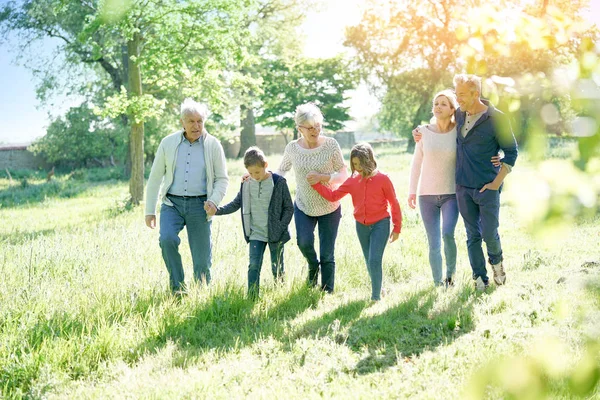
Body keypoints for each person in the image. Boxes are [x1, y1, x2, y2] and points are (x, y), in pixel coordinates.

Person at [413, 74, 518, 291]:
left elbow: (511, 152)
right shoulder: (459, 115)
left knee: (489, 232)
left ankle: (496, 263)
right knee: (472, 236)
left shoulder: (497, 118)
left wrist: (496, 182)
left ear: (475, 94)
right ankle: (479, 278)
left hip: (488, 185)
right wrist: (419, 131)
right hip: (462, 186)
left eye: (461, 94)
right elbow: (439, 123)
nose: (457, 98)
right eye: (456, 93)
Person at [145, 98, 229, 294]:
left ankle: (202, 293)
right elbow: (155, 178)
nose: (196, 125)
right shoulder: (168, 143)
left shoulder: (213, 145)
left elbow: (222, 179)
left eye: (200, 121)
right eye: (191, 121)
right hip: (171, 204)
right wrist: (150, 211)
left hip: (200, 205)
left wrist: (214, 201)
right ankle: (178, 288)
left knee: (202, 258)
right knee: (167, 239)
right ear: (182, 122)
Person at [311, 143, 401, 301]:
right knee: (369, 261)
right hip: (361, 226)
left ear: (369, 160)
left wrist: (397, 227)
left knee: (374, 259)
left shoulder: (383, 179)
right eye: (354, 164)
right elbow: (333, 196)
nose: (357, 168)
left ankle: (375, 298)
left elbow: (394, 202)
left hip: (381, 223)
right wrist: (316, 184)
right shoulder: (352, 181)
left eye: (360, 164)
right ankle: (380, 288)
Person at [277, 103, 348, 293]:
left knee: (327, 253)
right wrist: (257, 178)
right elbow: (281, 171)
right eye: (309, 127)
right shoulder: (293, 148)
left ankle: (327, 291)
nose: (315, 130)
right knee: (304, 242)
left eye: (318, 126)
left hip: (330, 206)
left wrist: (324, 177)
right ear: (299, 129)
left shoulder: (331, 145)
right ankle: (312, 265)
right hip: (303, 205)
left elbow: (344, 174)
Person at [207, 147, 294, 300]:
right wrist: (217, 210)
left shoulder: (279, 182)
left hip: (276, 234)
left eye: (257, 172)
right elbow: (236, 203)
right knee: (253, 265)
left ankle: (280, 297)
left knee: (277, 267)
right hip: (255, 233)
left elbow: (288, 208)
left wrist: (281, 227)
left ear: (265, 165)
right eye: (251, 173)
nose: (255, 176)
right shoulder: (246, 183)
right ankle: (252, 297)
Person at [408, 90, 460, 288]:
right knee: (434, 242)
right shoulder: (423, 132)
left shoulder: (459, 132)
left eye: (443, 104)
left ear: (452, 109)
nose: (438, 106)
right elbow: (416, 164)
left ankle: (451, 277)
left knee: (448, 234)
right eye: (436, 103)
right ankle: (438, 283)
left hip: (451, 195)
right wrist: (412, 191)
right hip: (426, 195)